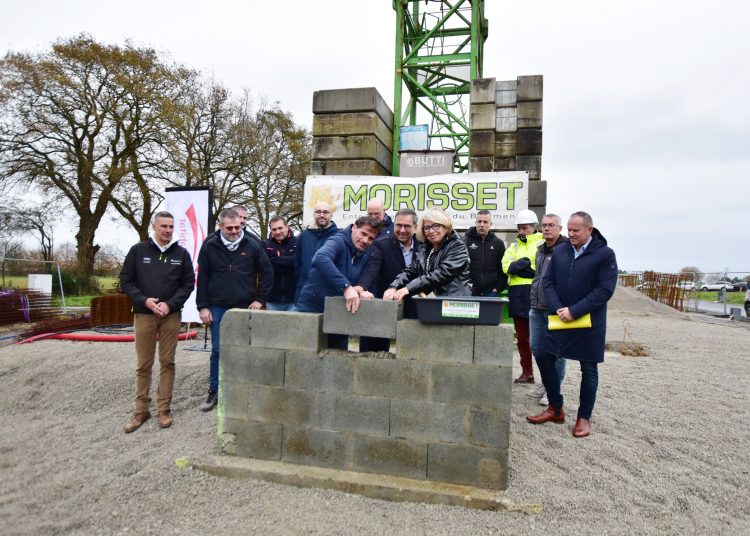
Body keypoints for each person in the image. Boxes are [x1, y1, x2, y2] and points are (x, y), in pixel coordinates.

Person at [526, 211, 618, 438]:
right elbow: (548, 282)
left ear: (589, 229)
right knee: (543, 355)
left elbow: (604, 290)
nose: (571, 234)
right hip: (560, 317)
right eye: (569, 230)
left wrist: (574, 311)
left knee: (589, 369)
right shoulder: (560, 251)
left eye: (576, 230)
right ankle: (555, 408)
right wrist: (559, 309)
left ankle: (583, 417)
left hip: (588, 322)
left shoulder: (605, 255)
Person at [120, 211, 195, 433]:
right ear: (154, 226)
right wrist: (145, 301)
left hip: (170, 316)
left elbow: (188, 284)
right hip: (144, 314)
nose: (168, 230)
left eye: (171, 227)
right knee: (144, 364)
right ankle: (141, 410)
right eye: (163, 226)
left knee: (167, 362)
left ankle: (164, 409)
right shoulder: (138, 250)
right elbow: (126, 280)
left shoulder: (181, 254)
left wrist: (170, 304)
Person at [196, 208, 274, 411]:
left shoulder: (252, 245)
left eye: (237, 227)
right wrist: (203, 306)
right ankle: (214, 390)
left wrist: (260, 300)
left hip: (244, 305)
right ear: (220, 226)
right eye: (229, 228)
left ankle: (242, 391)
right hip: (217, 305)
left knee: (244, 349)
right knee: (218, 350)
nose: (233, 231)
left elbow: (267, 272)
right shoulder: (210, 246)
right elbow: (202, 277)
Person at [296, 216, 381, 349]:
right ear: (353, 228)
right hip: (312, 309)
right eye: (363, 234)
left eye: (371, 238)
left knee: (337, 361)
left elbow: (364, 275)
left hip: (339, 315)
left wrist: (360, 290)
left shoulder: (364, 252)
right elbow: (320, 258)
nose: (365, 240)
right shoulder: (337, 241)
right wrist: (346, 287)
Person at [358, 209, 423, 351]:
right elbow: (371, 270)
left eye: (407, 226)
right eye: (398, 225)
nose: (402, 230)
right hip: (385, 303)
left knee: (412, 350)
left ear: (415, 227)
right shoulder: (382, 244)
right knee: (375, 350)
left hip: (413, 305)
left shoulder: (423, 246)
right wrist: (361, 287)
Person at [383, 208, 471, 302]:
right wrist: (393, 287)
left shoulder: (458, 246)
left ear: (445, 226)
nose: (431, 231)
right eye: (427, 228)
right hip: (434, 304)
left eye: (436, 226)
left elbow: (441, 274)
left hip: (456, 305)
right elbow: (411, 270)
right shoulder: (425, 249)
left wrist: (407, 288)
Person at [527, 214, 570, 405]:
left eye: (551, 225)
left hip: (555, 309)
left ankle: (554, 390)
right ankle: (547, 382)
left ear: (560, 228)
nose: (546, 228)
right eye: (544, 225)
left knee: (558, 352)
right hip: (536, 307)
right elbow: (539, 277)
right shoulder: (540, 250)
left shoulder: (567, 250)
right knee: (537, 348)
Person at [502, 209, 544, 384]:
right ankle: (527, 373)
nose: (521, 231)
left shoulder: (543, 243)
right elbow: (506, 266)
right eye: (519, 228)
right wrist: (523, 266)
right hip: (518, 295)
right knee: (522, 339)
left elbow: (541, 267)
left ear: (533, 226)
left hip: (537, 294)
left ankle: (546, 377)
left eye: (525, 227)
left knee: (540, 340)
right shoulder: (514, 246)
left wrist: (525, 268)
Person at [294, 201, 338, 304]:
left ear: (331, 215)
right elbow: (297, 265)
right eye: (318, 212)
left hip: (329, 295)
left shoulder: (339, 237)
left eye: (325, 212)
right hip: (304, 294)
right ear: (314, 214)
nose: (321, 215)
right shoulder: (303, 236)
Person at [463, 210, 507, 297]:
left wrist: (497, 289)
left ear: (490, 224)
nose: (482, 225)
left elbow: (502, 269)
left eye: (485, 222)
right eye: (479, 221)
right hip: (469, 292)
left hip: (491, 292)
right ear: (475, 223)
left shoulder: (498, 243)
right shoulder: (465, 241)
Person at [262, 215, 297, 311]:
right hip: (272, 300)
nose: (277, 232)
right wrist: (290, 262)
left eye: (280, 228)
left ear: (287, 227)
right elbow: (267, 268)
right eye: (274, 229)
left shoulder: (298, 242)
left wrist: (275, 259)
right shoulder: (265, 245)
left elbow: (298, 262)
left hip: (294, 300)